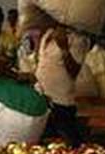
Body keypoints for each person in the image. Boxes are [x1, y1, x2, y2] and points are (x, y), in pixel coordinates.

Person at [35, 18, 89, 146]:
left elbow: (74, 72)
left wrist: (64, 47)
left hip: (61, 102)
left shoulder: (78, 39)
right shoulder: (48, 34)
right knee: (42, 143)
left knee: (71, 144)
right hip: (41, 97)